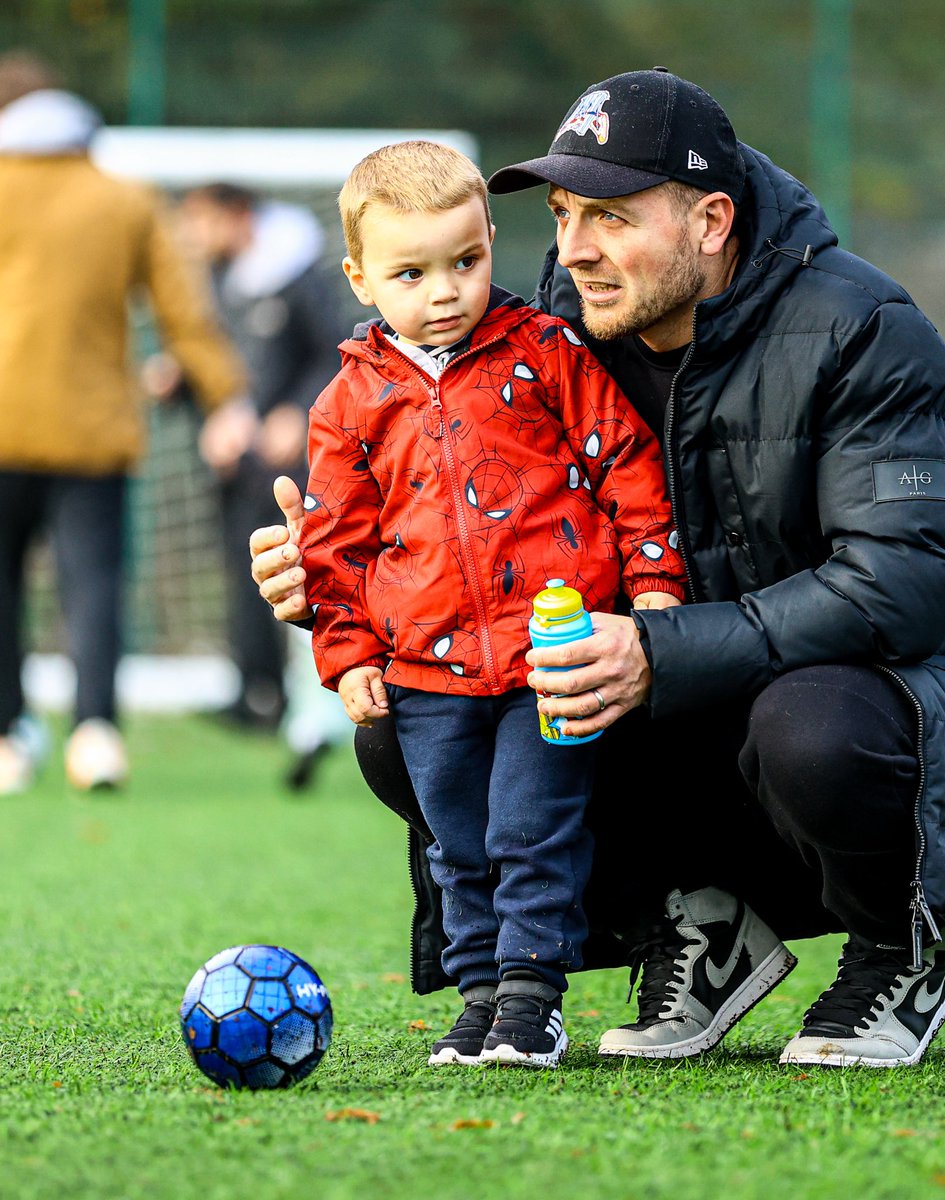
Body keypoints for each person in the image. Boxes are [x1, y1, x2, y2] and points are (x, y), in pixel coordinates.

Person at [252, 69, 945, 1068]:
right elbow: (474, 541)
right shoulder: (548, 326)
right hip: (690, 696)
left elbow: (901, 591)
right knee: (417, 720)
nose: (575, 247)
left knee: (811, 726)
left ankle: (898, 944)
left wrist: (657, 646)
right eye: (560, 214)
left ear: (712, 219)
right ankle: (696, 918)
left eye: (611, 216)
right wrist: (339, 586)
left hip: (916, 706)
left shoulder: (867, 330)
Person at [303, 140, 686, 1068]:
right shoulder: (349, 403)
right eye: (412, 272)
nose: (445, 290)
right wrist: (349, 654)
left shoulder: (546, 352)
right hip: (427, 670)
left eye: (465, 261)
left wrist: (653, 582)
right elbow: (334, 544)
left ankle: (531, 1000)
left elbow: (626, 463)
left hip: (550, 656)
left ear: (489, 243)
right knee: (457, 841)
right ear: (360, 277)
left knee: (530, 825)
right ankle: (479, 996)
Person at [0, 52, 247, 793]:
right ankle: (95, 734)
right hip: (94, 430)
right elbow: (185, 312)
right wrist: (224, 395)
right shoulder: (126, 199)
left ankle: (8, 739)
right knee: (95, 583)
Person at [170, 182, 349, 736]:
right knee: (243, 572)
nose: (195, 236)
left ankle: (312, 700)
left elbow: (335, 351)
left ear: (237, 215)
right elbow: (218, 359)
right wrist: (181, 384)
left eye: (203, 221)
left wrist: (296, 412)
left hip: (293, 465)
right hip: (236, 461)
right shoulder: (220, 279)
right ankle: (254, 692)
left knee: (299, 571)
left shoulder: (300, 276)